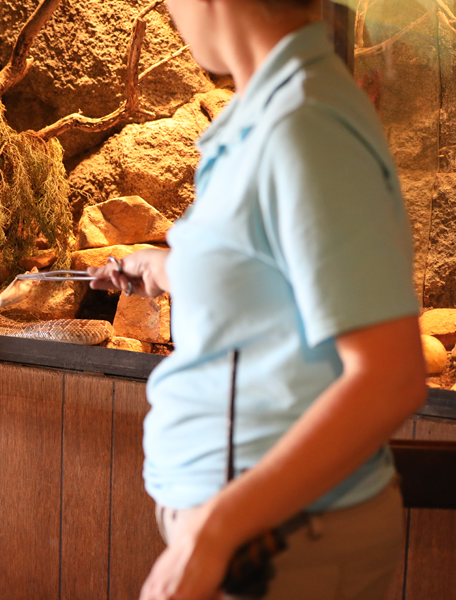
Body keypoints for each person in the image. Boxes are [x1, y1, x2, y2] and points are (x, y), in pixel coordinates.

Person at [87, 1, 428, 599]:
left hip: (278, 545)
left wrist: (214, 533)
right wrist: (170, 269)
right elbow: (271, 266)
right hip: (255, 534)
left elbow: (390, 378)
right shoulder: (269, 109)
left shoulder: (304, 124)